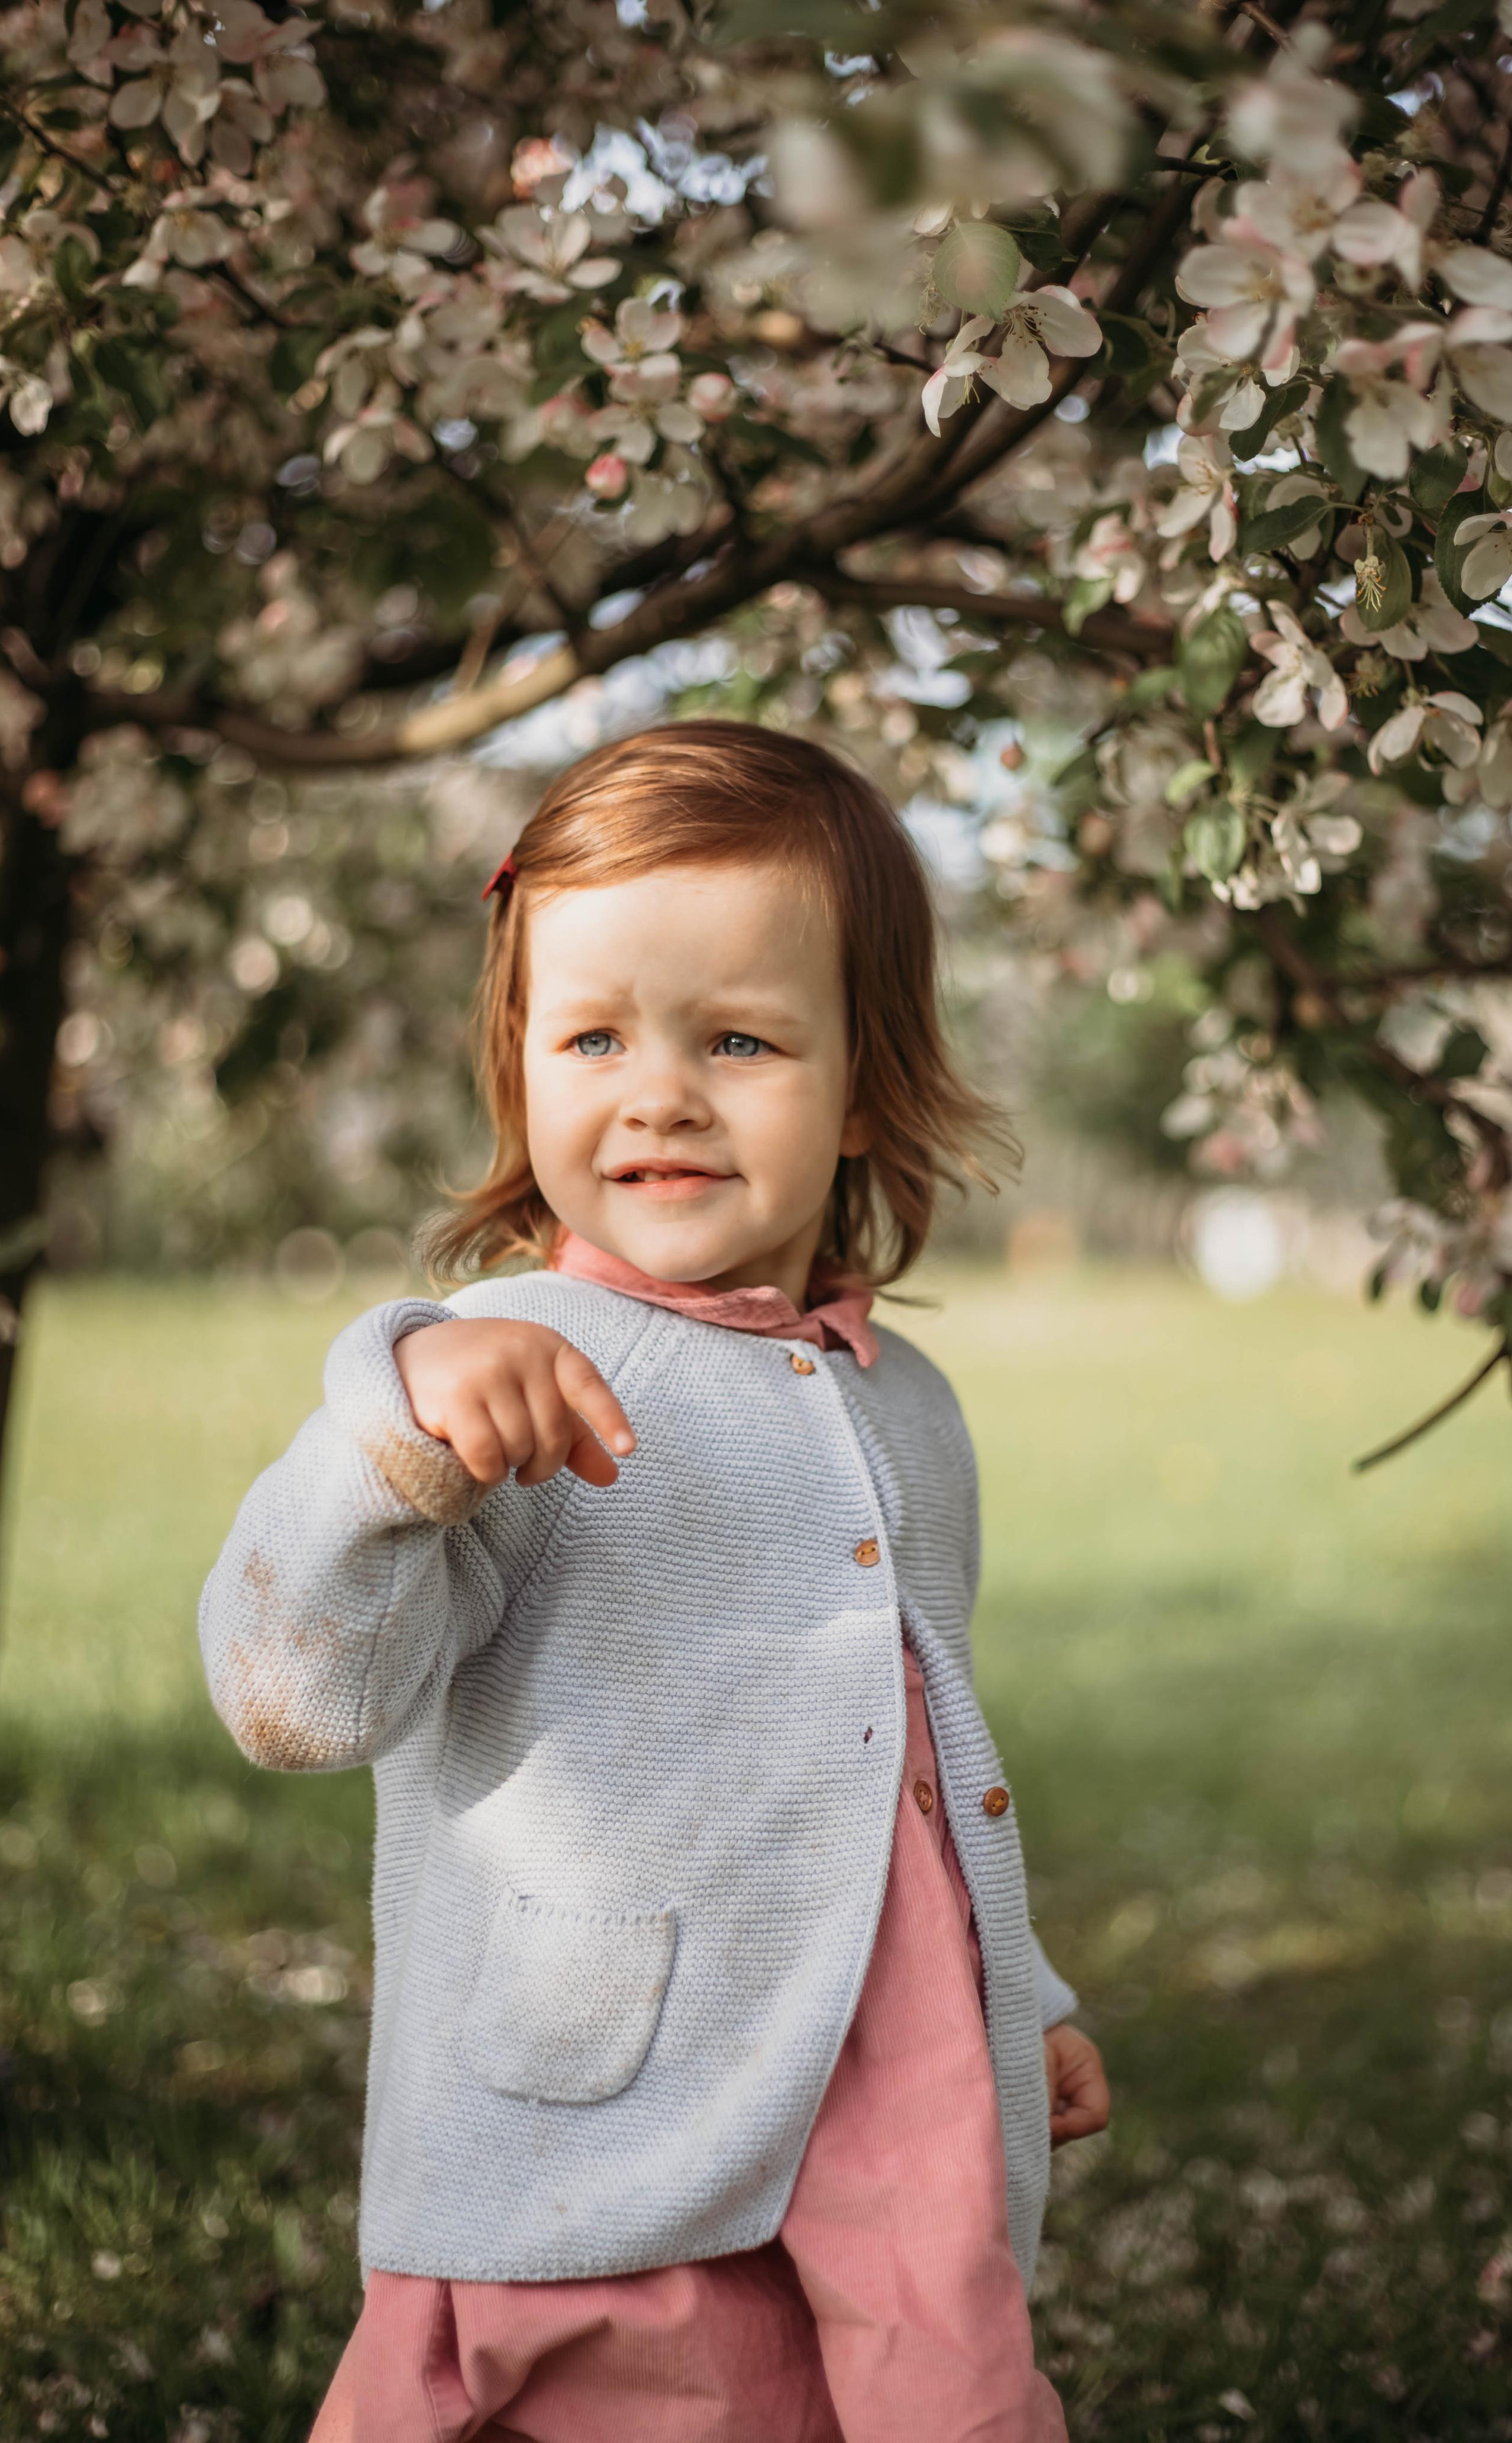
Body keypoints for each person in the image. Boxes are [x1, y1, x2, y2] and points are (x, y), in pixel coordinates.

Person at [200, 718, 1109, 2442]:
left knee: (944, 2403)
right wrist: (389, 1441)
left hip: (896, 2093)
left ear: (866, 1082)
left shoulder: (901, 1401)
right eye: (595, 1034)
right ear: (519, 1062)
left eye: (742, 1038)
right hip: (611, 2107)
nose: (661, 1091)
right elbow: (295, 1697)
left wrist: (1022, 1989)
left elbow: (918, 1746)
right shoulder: (503, 1370)